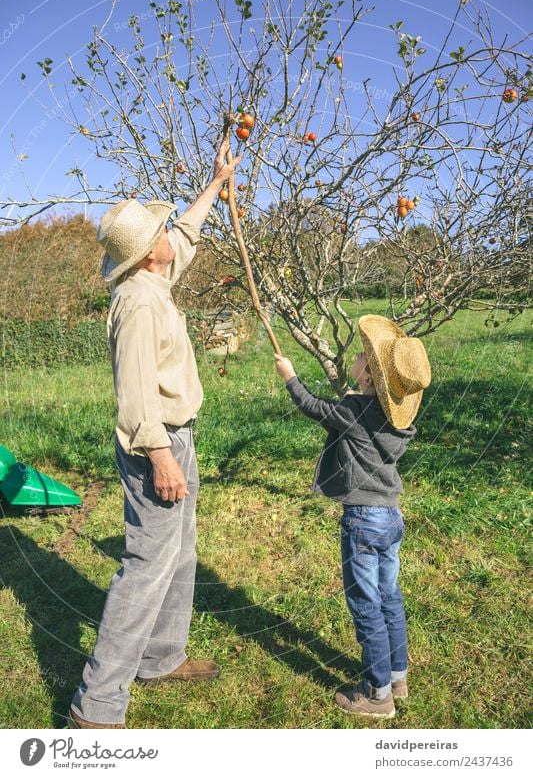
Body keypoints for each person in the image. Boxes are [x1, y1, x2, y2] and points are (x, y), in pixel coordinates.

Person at [68, 139, 241, 729]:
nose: (173, 233)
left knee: (179, 554)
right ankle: (97, 706)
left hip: (178, 436)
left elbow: (187, 233)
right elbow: (136, 394)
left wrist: (217, 182)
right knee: (145, 565)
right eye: (162, 230)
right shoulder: (140, 302)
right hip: (156, 443)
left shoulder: (156, 277)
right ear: (147, 254)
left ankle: (161, 658)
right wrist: (162, 457)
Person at [274, 315, 431, 719]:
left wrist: (289, 376)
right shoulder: (398, 419)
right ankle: (399, 676)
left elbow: (313, 407)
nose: (357, 357)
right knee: (389, 598)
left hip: (362, 519)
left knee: (365, 605)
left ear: (369, 378)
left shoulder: (355, 411)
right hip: (391, 516)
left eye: (362, 357)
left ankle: (378, 696)